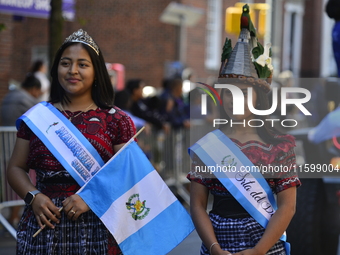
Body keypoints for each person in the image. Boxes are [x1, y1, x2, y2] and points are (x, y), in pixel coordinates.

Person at [6, 29, 136, 254]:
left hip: (98, 225)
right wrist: (33, 196)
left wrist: (92, 198)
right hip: (42, 223)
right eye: (65, 63)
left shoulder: (116, 119)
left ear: (96, 72)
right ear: (56, 69)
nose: (73, 70)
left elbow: (128, 174)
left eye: (83, 65)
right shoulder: (37, 117)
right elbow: (16, 168)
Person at [188, 6, 300, 255]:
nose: (233, 99)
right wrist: (214, 248)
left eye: (243, 91)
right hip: (218, 243)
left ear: (259, 98)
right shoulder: (208, 147)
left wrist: (258, 251)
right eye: (228, 91)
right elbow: (197, 205)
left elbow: (287, 207)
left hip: (265, 244)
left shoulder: (278, 146)